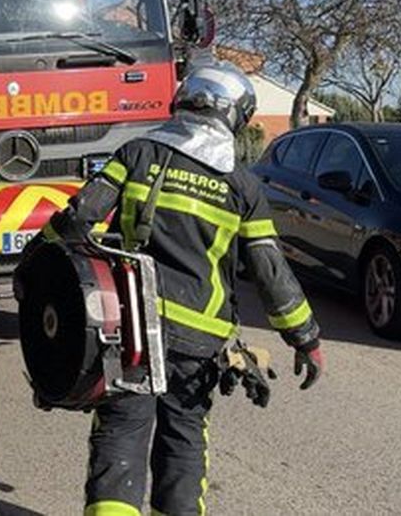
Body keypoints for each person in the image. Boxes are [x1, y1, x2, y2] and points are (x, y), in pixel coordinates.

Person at [41, 61, 324, 516]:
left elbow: (77, 221)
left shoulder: (137, 155)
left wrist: (37, 266)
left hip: (133, 331)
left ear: (184, 101)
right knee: (184, 441)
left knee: (121, 432)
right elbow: (271, 274)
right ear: (235, 116)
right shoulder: (243, 186)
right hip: (199, 343)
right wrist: (305, 338)